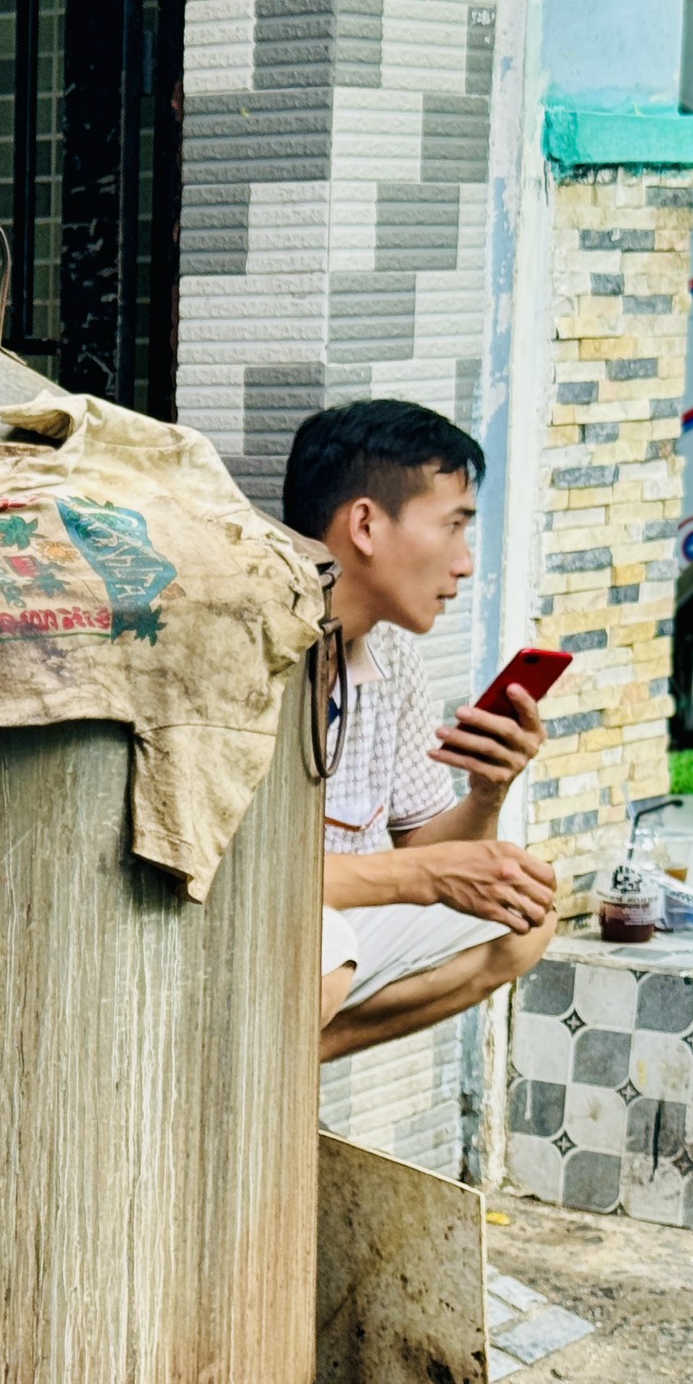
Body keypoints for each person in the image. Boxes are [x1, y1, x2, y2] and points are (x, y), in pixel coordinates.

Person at [284, 399, 560, 1062]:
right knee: (325, 950)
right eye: (454, 527)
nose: (465, 564)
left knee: (523, 913)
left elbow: (426, 848)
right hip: (237, 923)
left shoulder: (393, 654)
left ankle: (291, 1077)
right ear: (366, 526)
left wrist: (487, 792)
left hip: (325, 922)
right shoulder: (258, 648)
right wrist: (424, 876)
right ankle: (265, 1119)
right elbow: (242, 879)